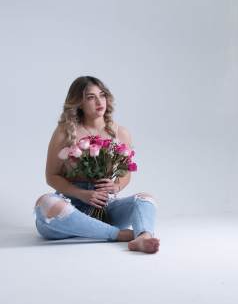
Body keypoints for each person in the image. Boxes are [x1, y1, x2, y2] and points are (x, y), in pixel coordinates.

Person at [34, 76, 160, 254]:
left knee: (146, 200)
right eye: (90, 97)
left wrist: (116, 186)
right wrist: (82, 194)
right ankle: (117, 235)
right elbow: (51, 176)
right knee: (45, 203)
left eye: (102, 95)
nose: (99, 101)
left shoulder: (120, 133)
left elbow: (125, 172)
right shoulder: (65, 132)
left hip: (104, 207)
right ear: (79, 103)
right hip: (69, 206)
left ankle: (143, 237)